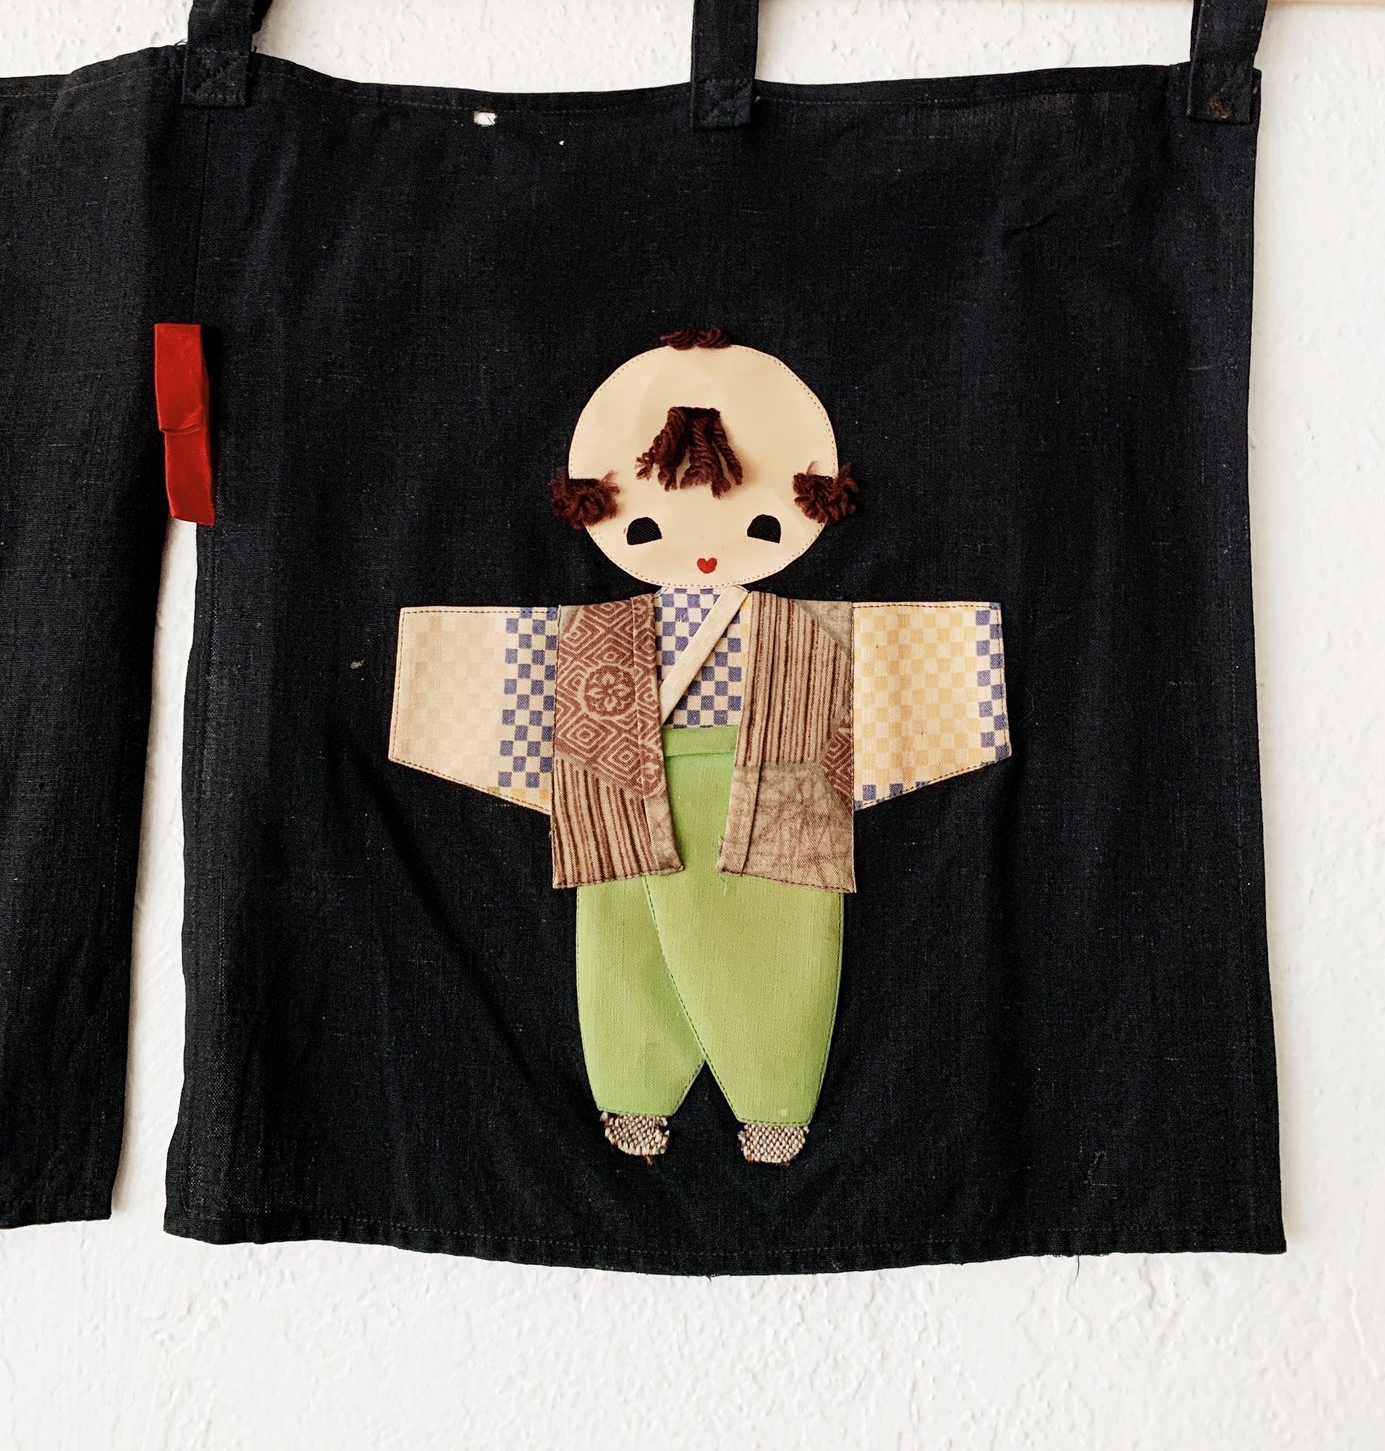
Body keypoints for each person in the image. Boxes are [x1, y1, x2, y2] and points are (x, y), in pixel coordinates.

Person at [390, 329, 1010, 1163]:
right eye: (647, 523)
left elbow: (906, 668)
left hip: (777, 779)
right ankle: (634, 1097)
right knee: (625, 936)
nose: (708, 546)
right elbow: (503, 675)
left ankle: (774, 1101)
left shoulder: (802, 632)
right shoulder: (605, 634)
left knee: (779, 933)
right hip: (625, 779)